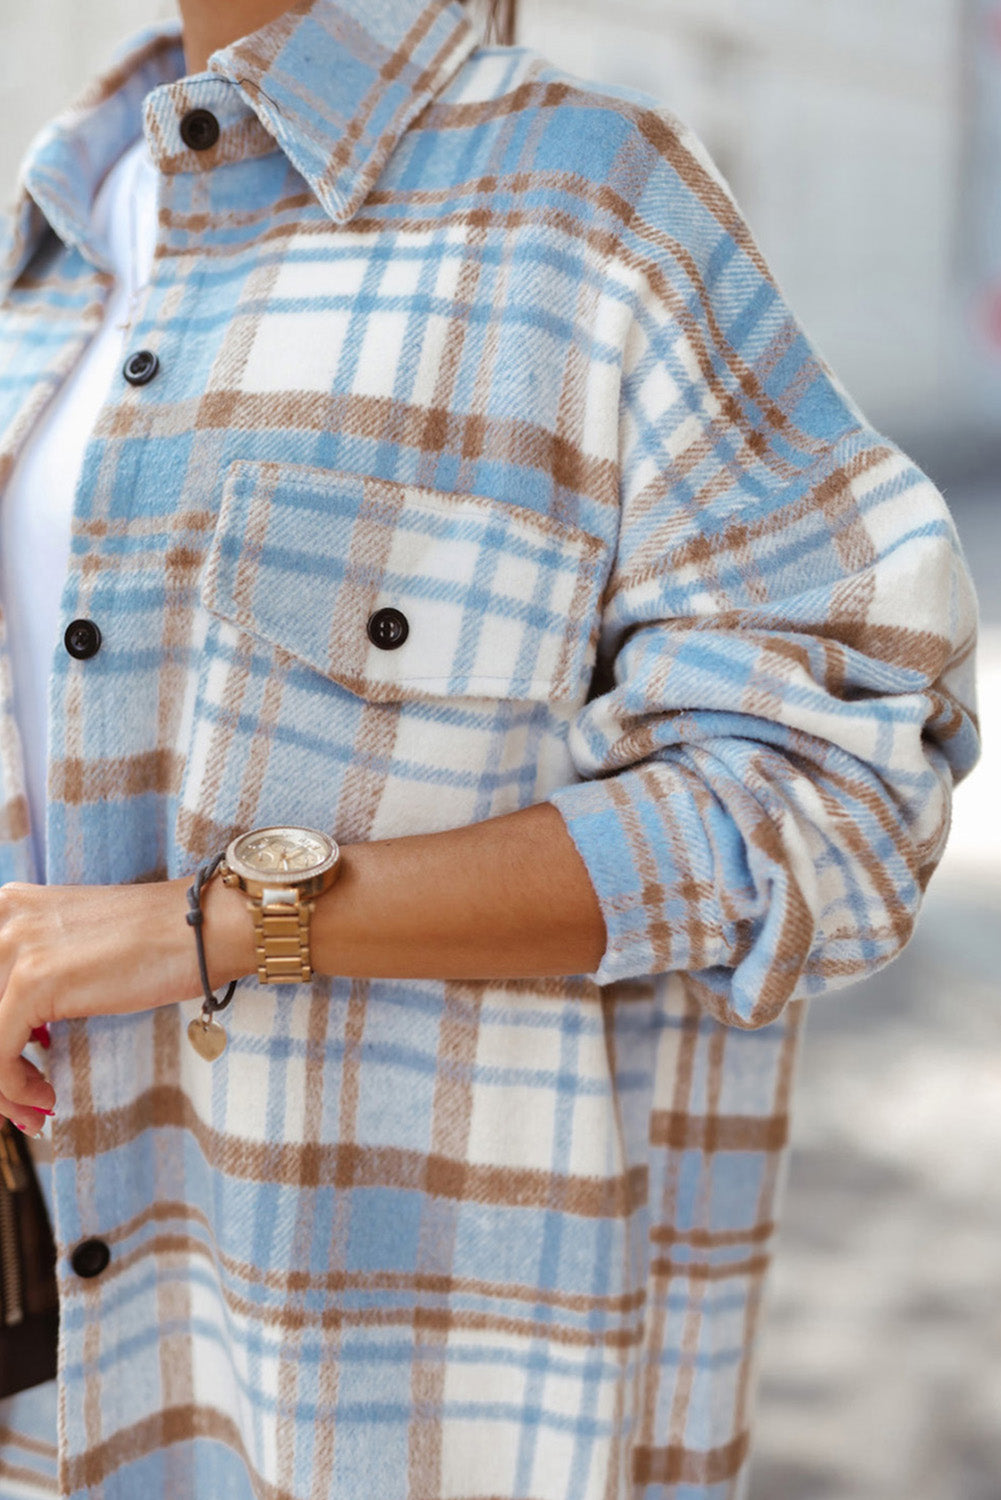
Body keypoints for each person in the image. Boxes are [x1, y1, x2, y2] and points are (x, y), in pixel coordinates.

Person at [0, 0, 981, 1495]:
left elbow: (834, 792)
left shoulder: (582, 202)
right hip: (51, 1385)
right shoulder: (55, 227)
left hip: (398, 1398)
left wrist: (203, 928)